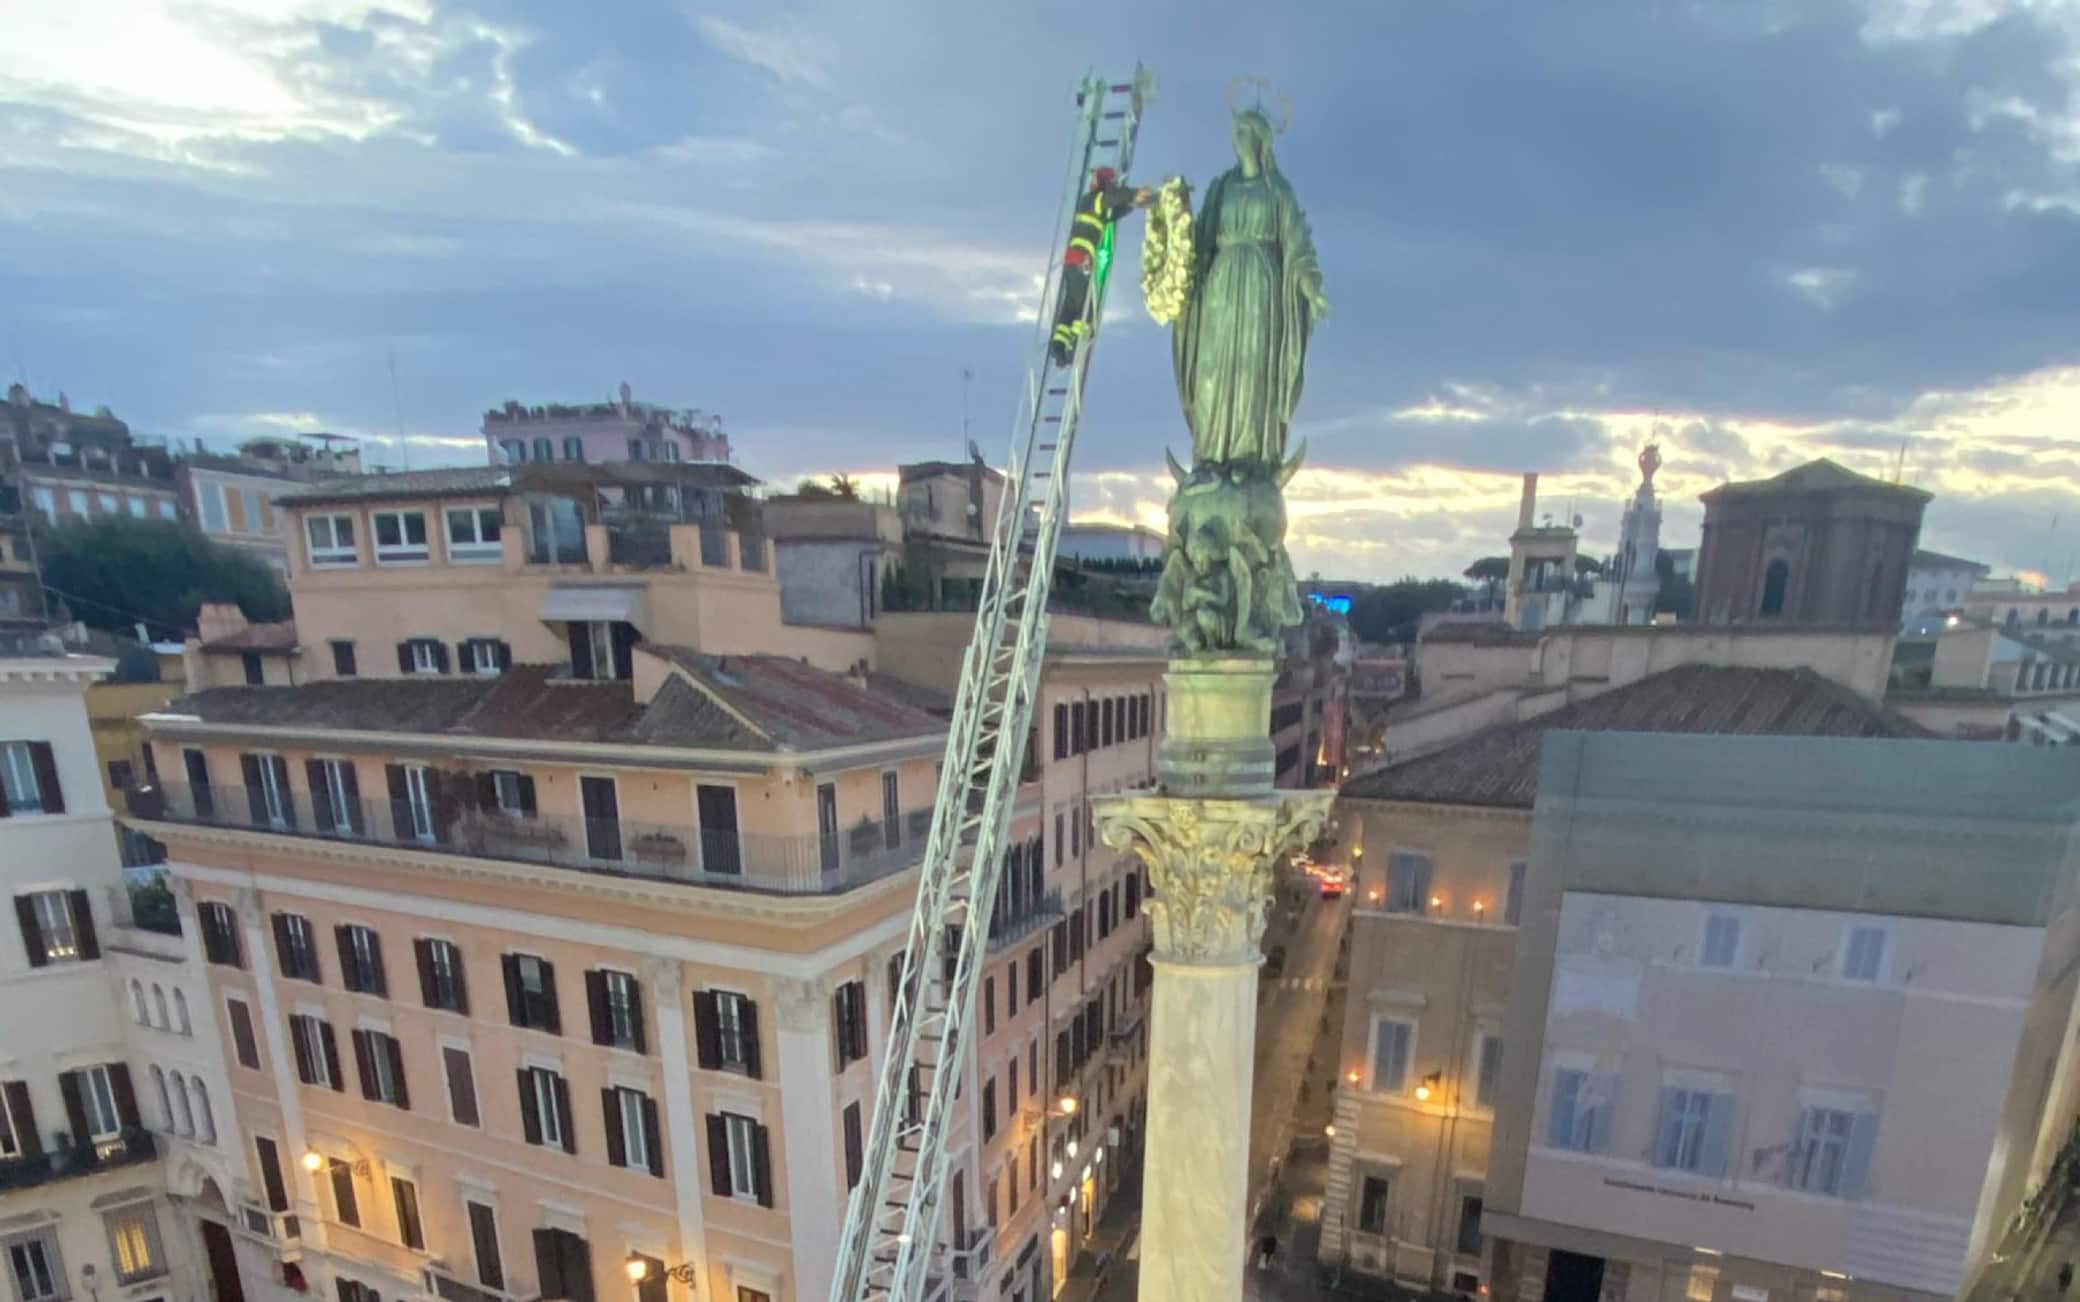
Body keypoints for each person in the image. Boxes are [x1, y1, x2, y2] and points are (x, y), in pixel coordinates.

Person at [1049, 166, 1153, 366]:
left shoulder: (1088, 203)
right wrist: (1135, 192)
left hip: (1071, 262)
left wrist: (1136, 203)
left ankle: (1059, 344)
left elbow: (1113, 212)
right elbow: (1112, 199)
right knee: (1085, 309)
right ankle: (1073, 346)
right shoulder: (1097, 200)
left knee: (1070, 304)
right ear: (1108, 184)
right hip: (1082, 263)